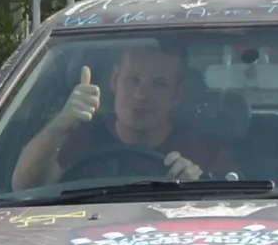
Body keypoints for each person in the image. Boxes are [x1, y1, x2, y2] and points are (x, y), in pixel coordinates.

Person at [12, 39, 237, 191]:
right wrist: (59, 126)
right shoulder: (81, 139)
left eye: (158, 84)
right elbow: (24, 188)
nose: (140, 95)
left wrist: (197, 189)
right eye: (133, 80)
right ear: (115, 80)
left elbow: (236, 213)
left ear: (177, 95)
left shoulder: (204, 151)